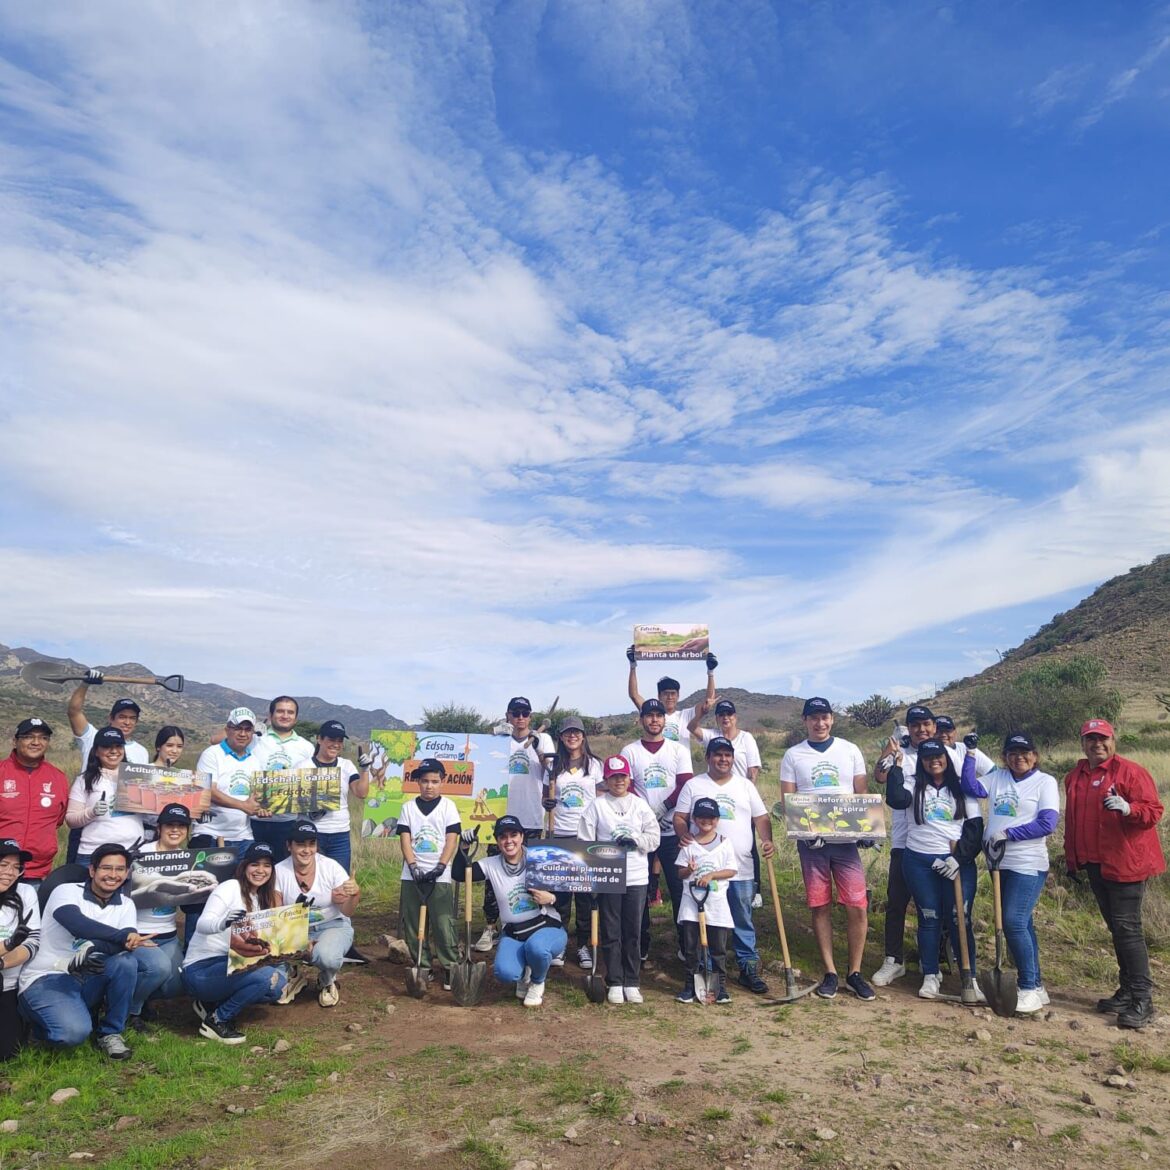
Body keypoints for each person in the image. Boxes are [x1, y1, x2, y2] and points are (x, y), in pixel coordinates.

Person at [871, 704, 991, 987]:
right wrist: (891, 755)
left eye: (927, 724)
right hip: (908, 842)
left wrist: (961, 854)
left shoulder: (955, 753)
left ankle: (952, 965)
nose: (922, 729)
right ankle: (895, 960)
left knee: (952, 912)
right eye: (916, 725)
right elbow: (882, 779)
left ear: (935, 727)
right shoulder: (901, 751)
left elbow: (982, 784)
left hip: (949, 845)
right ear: (909, 728)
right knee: (900, 902)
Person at [1063, 718, 1165, 1030]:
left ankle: (1142, 999)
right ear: (1083, 743)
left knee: (1127, 929)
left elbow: (1154, 812)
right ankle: (1127, 990)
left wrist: (1129, 809)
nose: (1097, 744)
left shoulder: (1131, 772)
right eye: (1091, 739)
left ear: (1113, 740)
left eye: (1103, 738)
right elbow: (1072, 820)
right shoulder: (1075, 776)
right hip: (1095, 863)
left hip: (1126, 864)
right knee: (1117, 929)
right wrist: (1072, 860)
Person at [780, 698, 875, 1000]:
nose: (820, 724)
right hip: (813, 846)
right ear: (805, 721)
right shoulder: (793, 755)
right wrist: (804, 832)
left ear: (832, 719)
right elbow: (788, 800)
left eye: (825, 717)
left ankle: (855, 973)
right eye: (813, 718)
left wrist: (867, 828)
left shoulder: (850, 750)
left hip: (847, 845)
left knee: (857, 906)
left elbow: (861, 792)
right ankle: (831, 972)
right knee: (820, 905)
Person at [18, 842, 150, 1060]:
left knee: (126, 962)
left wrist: (93, 947)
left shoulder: (126, 903)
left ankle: (110, 1032)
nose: (113, 875)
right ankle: (38, 1023)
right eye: (106, 868)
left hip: (86, 973)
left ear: (127, 873)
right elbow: (76, 924)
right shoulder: (66, 891)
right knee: (71, 1034)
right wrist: (121, 937)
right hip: (48, 975)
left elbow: (123, 944)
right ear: (92, 870)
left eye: (119, 869)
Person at [884, 739, 984, 1001]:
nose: (933, 761)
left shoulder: (962, 788)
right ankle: (930, 975)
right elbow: (895, 799)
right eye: (927, 758)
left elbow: (974, 829)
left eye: (938, 756)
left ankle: (969, 977)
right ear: (922, 761)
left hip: (955, 861)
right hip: (919, 861)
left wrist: (958, 859)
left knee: (958, 918)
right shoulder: (913, 785)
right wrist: (896, 767)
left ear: (947, 759)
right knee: (928, 917)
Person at [674, 737, 774, 994]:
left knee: (742, 918)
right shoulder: (694, 785)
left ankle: (747, 967)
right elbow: (680, 817)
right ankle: (710, 971)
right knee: (707, 920)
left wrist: (767, 840)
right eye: (717, 754)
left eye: (728, 755)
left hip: (740, 866)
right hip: (704, 872)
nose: (723, 759)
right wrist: (683, 833)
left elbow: (761, 817)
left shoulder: (745, 785)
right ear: (708, 757)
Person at [975, 733, 1059, 1016]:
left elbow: (1048, 823)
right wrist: (969, 753)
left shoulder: (1045, 782)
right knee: (1024, 924)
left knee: (1012, 921)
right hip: (999, 864)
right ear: (1004, 756)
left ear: (1035, 756)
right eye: (1012, 752)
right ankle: (1037, 986)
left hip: (1028, 863)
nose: (1018, 757)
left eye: (1024, 752)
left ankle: (1027, 987)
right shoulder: (998, 777)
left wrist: (1008, 833)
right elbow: (969, 786)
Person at [181, 841, 289, 1044]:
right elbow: (202, 924)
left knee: (278, 984)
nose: (261, 870)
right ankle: (217, 1019)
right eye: (255, 864)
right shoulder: (230, 887)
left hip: (231, 966)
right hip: (201, 968)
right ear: (244, 865)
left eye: (267, 865)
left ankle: (211, 1003)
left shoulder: (260, 899)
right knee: (265, 977)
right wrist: (224, 922)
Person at [454, 816, 567, 1007]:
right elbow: (458, 874)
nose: (509, 841)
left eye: (514, 835)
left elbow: (566, 891)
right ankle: (524, 975)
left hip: (546, 926)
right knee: (504, 972)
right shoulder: (491, 864)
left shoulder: (539, 858)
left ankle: (538, 982)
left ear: (522, 837)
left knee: (537, 949)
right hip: (515, 932)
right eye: (503, 837)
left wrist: (552, 898)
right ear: (497, 841)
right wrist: (463, 846)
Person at [577, 756, 660, 1004]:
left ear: (629, 778)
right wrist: (602, 856)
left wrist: (636, 841)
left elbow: (654, 837)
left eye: (622, 776)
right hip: (609, 874)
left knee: (633, 929)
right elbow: (585, 841)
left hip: (636, 875)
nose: (619, 781)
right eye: (613, 777)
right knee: (611, 929)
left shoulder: (640, 805)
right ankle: (615, 980)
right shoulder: (597, 806)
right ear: (607, 779)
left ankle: (632, 981)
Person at [474, 697, 553, 952]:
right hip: (500, 819)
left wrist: (540, 748)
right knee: (494, 875)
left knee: (530, 874)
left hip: (530, 818)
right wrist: (492, 736)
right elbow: (481, 762)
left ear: (530, 716)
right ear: (508, 716)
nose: (521, 717)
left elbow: (551, 772)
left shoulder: (543, 740)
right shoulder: (499, 741)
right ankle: (490, 926)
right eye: (516, 713)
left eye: (525, 713)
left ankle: (531, 923)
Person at [621, 699, 693, 963]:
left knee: (678, 888)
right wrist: (645, 813)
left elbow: (685, 783)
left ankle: (686, 945)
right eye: (649, 715)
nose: (654, 720)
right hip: (640, 832)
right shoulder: (629, 751)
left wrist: (664, 807)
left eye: (658, 715)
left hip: (673, 830)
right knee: (638, 890)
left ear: (665, 720)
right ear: (641, 720)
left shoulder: (678, 749)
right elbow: (625, 787)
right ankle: (640, 945)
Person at [686, 698, 764, 906]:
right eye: (721, 714)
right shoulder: (712, 735)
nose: (725, 718)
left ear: (735, 717)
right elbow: (691, 727)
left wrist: (746, 793)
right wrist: (703, 711)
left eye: (729, 714)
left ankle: (755, 888)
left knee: (746, 845)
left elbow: (753, 769)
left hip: (739, 796)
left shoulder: (746, 739)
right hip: (712, 798)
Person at [274, 820, 360, 1007]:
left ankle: (327, 980)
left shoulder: (331, 867)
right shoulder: (279, 871)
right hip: (295, 929)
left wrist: (354, 894)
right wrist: (298, 942)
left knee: (327, 957)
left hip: (333, 924)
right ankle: (294, 973)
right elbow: (276, 917)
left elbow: (347, 910)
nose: (307, 850)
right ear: (289, 846)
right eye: (300, 844)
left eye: (311, 844)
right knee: (271, 954)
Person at [544, 717, 604, 968]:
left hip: (587, 835)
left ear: (583, 736)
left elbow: (602, 797)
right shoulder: (553, 765)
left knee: (585, 896)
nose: (572, 737)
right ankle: (558, 945)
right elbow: (544, 795)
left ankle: (583, 946)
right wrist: (545, 803)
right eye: (567, 732)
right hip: (559, 833)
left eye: (576, 732)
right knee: (560, 896)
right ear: (561, 736)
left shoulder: (595, 765)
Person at [126, 801, 192, 1030]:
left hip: (168, 932)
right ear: (159, 828)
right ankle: (129, 1010)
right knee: (159, 968)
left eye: (181, 826)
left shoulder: (188, 857)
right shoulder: (141, 853)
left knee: (178, 982)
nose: (175, 830)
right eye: (169, 825)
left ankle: (145, 1001)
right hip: (139, 932)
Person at [394, 760, 459, 991]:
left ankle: (451, 966)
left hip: (439, 875)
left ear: (442, 782)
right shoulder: (408, 807)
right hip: (413, 875)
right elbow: (405, 837)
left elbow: (452, 838)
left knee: (443, 923)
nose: (429, 786)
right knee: (413, 923)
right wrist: (412, 866)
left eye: (434, 781)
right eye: (424, 781)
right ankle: (422, 965)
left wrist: (441, 866)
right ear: (418, 783)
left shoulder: (448, 806)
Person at [675, 797, 737, 1004]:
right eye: (701, 817)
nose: (706, 821)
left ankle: (720, 988)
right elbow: (679, 874)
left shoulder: (724, 843)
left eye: (710, 818)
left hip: (717, 904)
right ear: (694, 818)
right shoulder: (688, 844)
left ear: (717, 820)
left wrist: (712, 875)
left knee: (718, 949)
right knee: (691, 948)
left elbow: (732, 869)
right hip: (691, 904)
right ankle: (689, 987)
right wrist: (689, 870)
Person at [0, 718, 69, 884]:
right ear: (15, 741)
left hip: (38, 873)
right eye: (29, 736)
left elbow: (57, 820)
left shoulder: (58, 777)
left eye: (43, 738)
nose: (36, 742)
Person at [65, 727, 146, 865]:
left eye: (118, 746)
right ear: (96, 751)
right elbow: (70, 819)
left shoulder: (139, 778)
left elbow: (151, 816)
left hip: (132, 852)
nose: (114, 751)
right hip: (93, 854)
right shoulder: (84, 780)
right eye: (107, 747)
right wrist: (92, 812)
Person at [195, 707, 269, 857]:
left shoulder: (254, 761)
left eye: (248, 729)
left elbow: (255, 798)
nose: (243, 734)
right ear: (227, 729)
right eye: (238, 728)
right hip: (211, 835)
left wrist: (261, 809)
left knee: (242, 880)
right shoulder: (211, 754)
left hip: (243, 837)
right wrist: (243, 806)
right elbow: (208, 790)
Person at [249, 696, 314, 862]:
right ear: (270, 715)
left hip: (288, 821)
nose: (285, 715)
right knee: (253, 869)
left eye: (290, 712)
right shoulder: (254, 739)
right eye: (280, 711)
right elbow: (217, 740)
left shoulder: (307, 747)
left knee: (283, 871)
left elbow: (311, 784)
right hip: (253, 820)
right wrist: (251, 729)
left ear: (296, 717)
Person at [302, 720, 372, 873]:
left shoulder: (346, 765)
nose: (336, 744)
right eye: (331, 739)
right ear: (319, 739)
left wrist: (365, 770)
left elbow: (361, 793)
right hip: (311, 833)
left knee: (339, 882)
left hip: (340, 835)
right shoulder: (303, 766)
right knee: (311, 878)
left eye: (339, 741)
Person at [626, 650, 717, 749]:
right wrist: (632, 665)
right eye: (666, 694)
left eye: (673, 694)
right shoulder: (651, 713)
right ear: (659, 696)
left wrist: (710, 672)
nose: (670, 697)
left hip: (681, 764)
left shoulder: (686, 715)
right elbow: (634, 695)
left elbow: (708, 701)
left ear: (678, 695)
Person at [0, 838, 40, 1060]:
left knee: (9, 1053)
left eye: (16, 867)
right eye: (3, 864)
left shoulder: (25, 893)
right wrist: (7, 944)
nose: (10, 872)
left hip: (9, 983)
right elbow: (15, 942)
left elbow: (33, 942)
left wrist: (3, 962)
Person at [67, 672, 150, 764]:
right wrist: (85, 684)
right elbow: (74, 712)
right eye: (122, 717)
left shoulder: (142, 752)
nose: (127, 722)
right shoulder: (92, 737)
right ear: (111, 718)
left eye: (132, 718)